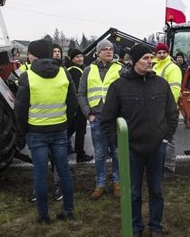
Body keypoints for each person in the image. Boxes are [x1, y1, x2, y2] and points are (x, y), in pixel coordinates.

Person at [101, 44, 178, 237]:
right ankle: (136, 228)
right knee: (133, 192)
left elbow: (172, 114)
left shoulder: (161, 84)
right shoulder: (119, 87)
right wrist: (119, 145)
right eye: (146, 58)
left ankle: (156, 228)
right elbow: (107, 120)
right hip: (132, 150)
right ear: (134, 61)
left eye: (151, 58)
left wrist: (165, 138)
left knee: (156, 191)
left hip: (156, 149)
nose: (151, 61)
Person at [15, 39, 78, 224]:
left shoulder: (27, 76)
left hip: (36, 132)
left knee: (40, 174)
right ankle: (68, 210)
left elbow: (20, 109)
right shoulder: (64, 73)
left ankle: (43, 216)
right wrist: (64, 122)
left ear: (33, 55)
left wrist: (23, 131)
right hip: (59, 129)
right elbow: (72, 102)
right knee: (64, 171)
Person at [78, 39, 122, 200]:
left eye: (111, 49)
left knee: (117, 152)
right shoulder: (89, 70)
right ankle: (100, 183)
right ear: (98, 52)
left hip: (115, 119)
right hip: (96, 118)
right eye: (105, 49)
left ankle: (118, 182)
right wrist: (88, 114)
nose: (109, 51)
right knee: (99, 153)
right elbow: (81, 93)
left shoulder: (120, 69)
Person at [152, 42, 182, 174]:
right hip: (156, 108)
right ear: (156, 54)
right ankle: (160, 163)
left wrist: (167, 107)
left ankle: (169, 166)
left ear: (168, 53)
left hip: (167, 109)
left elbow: (175, 90)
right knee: (158, 137)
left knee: (169, 138)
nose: (162, 54)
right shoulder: (155, 67)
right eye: (159, 52)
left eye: (164, 52)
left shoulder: (173, 68)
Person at [67, 48, 92, 163]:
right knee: (81, 130)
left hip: (77, 104)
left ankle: (60, 145)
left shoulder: (79, 69)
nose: (80, 58)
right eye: (77, 57)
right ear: (72, 59)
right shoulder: (74, 70)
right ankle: (80, 155)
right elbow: (78, 89)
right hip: (79, 105)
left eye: (81, 56)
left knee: (72, 127)